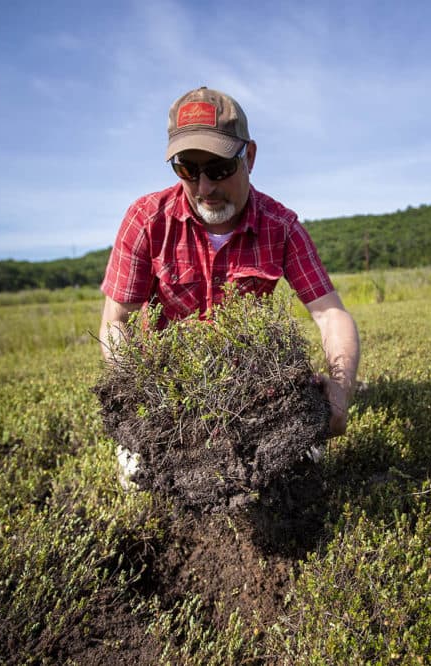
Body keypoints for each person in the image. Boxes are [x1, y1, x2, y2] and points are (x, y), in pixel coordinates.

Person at [99, 87, 360, 486]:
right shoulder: (147, 220)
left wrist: (340, 390)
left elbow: (330, 314)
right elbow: (115, 321)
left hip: (252, 389)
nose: (204, 187)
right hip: (169, 393)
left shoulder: (281, 226)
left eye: (219, 168)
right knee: (143, 484)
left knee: (298, 472)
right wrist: (142, 394)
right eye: (187, 169)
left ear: (249, 157)